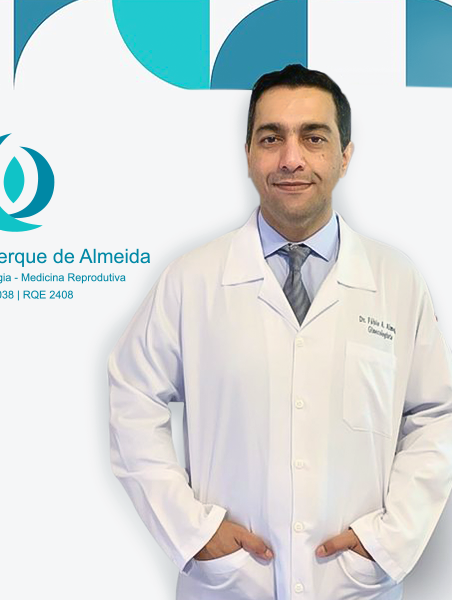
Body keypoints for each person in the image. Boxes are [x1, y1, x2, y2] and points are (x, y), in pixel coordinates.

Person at [107, 64, 452, 600]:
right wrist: (193, 532)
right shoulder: (192, 279)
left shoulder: (396, 280)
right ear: (248, 154)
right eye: (271, 138)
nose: (291, 158)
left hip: (354, 584)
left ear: (345, 156)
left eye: (314, 138)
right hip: (230, 583)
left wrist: (388, 541)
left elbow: (436, 414)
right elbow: (133, 396)